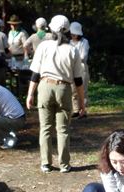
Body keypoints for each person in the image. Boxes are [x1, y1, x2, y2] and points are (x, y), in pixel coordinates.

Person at [26, 15, 84, 173]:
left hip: (45, 86)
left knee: (45, 128)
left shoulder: (44, 46)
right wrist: (81, 103)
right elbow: (78, 80)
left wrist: (30, 94)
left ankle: (46, 163)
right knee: (63, 129)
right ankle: (64, 164)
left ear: (50, 28)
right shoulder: (72, 50)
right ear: (67, 30)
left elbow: (35, 74)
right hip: (64, 88)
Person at [69, 21, 89, 117]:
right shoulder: (69, 43)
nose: (73, 35)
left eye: (75, 34)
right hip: (71, 67)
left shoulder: (84, 42)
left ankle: (83, 109)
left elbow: (83, 56)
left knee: (83, 89)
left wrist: (73, 57)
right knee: (73, 90)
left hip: (81, 67)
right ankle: (76, 109)